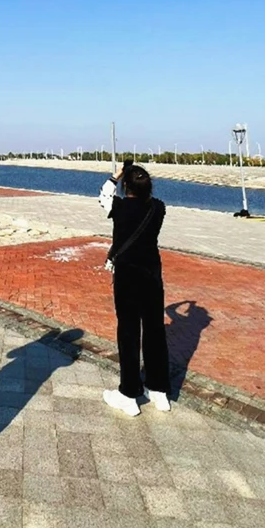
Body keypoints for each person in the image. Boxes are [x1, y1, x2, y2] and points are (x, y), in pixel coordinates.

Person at [102, 160, 171, 417]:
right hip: (152, 275)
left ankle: (129, 394)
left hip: (128, 276)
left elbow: (103, 196)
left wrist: (116, 175)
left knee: (129, 332)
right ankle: (159, 391)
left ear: (125, 185)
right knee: (155, 330)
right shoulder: (159, 208)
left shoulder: (119, 207)